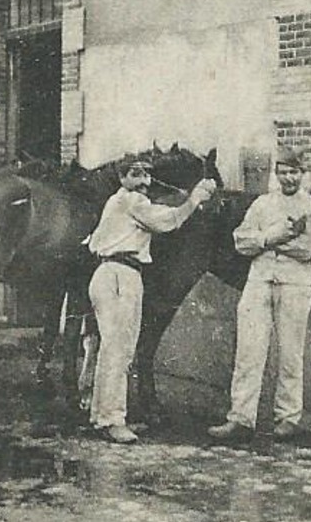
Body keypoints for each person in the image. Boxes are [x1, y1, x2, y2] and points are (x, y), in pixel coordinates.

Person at [80, 154, 217, 443]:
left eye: (146, 175)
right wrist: (193, 199)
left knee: (112, 349)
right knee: (120, 350)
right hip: (121, 274)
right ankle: (113, 420)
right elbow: (168, 221)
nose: (143, 181)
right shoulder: (132, 201)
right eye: (135, 175)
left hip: (110, 273)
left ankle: (102, 415)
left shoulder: (117, 202)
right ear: (122, 178)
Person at [210, 149, 311, 443]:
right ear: (276, 173)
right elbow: (241, 241)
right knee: (249, 351)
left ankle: (288, 417)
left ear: (303, 174)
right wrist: (269, 238)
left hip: (295, 285)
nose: (288, 178)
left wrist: (271, 243)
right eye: (283, 172)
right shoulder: (262, 205)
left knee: (290, 353)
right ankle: (241, 418)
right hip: (259, 281)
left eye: (294, 172)